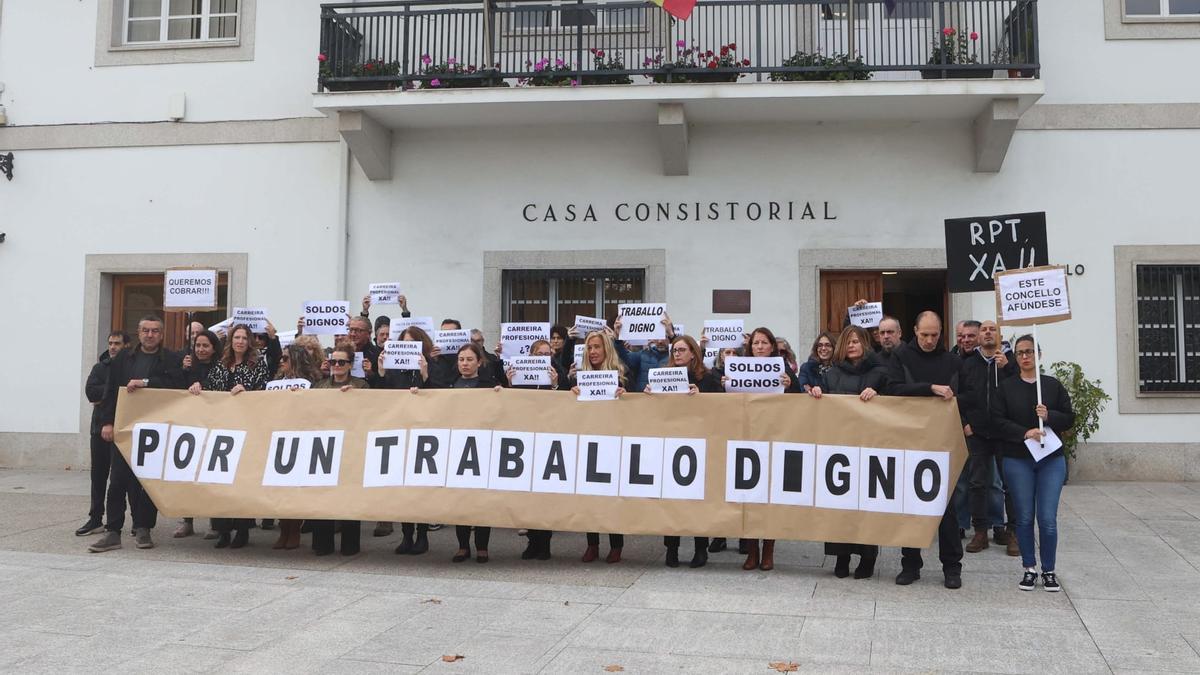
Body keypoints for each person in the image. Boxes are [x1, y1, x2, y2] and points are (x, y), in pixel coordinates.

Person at [89, 315, 184, 553]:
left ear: (161, 334)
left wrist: (146, 382)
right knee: (117, 481)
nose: (150, 335)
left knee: (147, 484)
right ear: (139, 333)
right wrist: (107, 422)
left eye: (155, 331)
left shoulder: (170, 359)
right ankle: (113, 531)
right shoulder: (123, 357)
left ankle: (143, 528)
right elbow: (111, 390)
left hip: (155, 430)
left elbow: (176, 385)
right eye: (145, 330)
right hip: (125, 428)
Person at [885, 311, 964, 589]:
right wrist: (930, 389)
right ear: (915, 332)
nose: (930, 340)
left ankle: (952, 567)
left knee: (947, 508)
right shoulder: (901, 356)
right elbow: (893, 390)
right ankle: (910, 564)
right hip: (910, 442)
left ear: (941, 333)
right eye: (924, 335)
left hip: (943, 443)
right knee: (911, 505)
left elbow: (969, 396)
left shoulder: (953, 361)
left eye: (934, 335)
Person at [993, 335, 1075, 592]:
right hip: (1018, 459)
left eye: (1029, 351)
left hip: (1050, 460)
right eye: (1020, 353)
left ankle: (1049, 570)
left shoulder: (1051, 385)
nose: (1025, 356)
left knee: (1047, 518)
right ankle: (1029, 568)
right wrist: (1024, 432)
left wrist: (1049, 416)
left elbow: (1069, 418)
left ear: (1038, 354)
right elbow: (997, 421)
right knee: (1025, 517)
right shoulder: (1006, 387)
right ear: (1015, 358)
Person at [811, 326, 888, 580]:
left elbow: (893, 404)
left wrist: (879, 395)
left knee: (866, 505)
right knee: (839, 504)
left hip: (868, 445)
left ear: (865, 343)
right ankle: (841, 556)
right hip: (839, 446)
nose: (852, 346)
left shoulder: (879, 372)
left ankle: (867, 558)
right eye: (848, 342)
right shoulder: (831, 374)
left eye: (856, 341)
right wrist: (817, 393)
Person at [647, 334, 720, 569]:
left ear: (693, 353)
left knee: (698, 500)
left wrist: (702, 398)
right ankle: (672, 548)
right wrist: (648, 394)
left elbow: (722, 406)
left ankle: (700, 548)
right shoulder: (663, 375)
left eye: (681, 350)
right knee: (671, 500)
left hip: (699, 444)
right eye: (674, 351)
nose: (677, 354)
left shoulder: (708, 378)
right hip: (671, 443)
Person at [732, 326, 798, 572]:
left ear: (772, 347)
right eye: (755, 343)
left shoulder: (783, 369)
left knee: (770, 497)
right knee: (748, 497)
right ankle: (752, 551)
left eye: (764, 343)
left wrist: (790, 385)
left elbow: (799, 400)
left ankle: (768, 550)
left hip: (774, 438)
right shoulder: (738, 368)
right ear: (750, 348)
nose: (759, 347)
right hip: (747, 439)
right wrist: (726, 384)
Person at [198, 324, 270, 549]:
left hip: (246, 429)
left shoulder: (257, 364)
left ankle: (242, 529)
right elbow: (210, 388)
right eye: (236, 337)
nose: (240, 341)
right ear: (231, 340)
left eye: (244, 338)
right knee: (220, 480)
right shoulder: (221, 363)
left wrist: (246, 393)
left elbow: (264, 392)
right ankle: (222, 530)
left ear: (249, 342)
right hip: (221, 428)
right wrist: (198, 386)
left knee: (242, 481)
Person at [959, 319, 1019, 555]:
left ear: (999, 335)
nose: (987, 333)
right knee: (977, 483)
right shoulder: (968, 363)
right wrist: (965, 423)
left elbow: (1022, 389)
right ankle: (980, 531)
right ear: (978, 336)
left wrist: (1008, 368)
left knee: (1010, 484)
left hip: (1005, 433)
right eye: (983, 330)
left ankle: (1012, 532)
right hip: (978, 432)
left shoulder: (1010, 361)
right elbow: (959, 395)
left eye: (992, 329)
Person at [441, 343, 504, 563]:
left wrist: (501, 394)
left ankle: (482, 547)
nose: (465, 363)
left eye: (469, 359)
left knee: (481, 499)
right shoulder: (449, 385)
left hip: (482, 447)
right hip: (457, 447)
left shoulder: (490, 384)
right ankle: (462, 546)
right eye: (461, 359)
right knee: (461, 499)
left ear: (479, 362)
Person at [569, 330, 628, 564]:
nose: (592, 352)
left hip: (613, 443)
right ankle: (592, 544)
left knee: (612, 497)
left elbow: (636, 406)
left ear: (606, 349)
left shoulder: (621, 377)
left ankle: (616, 545)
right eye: (589, 347)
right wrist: (571, 395)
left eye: (597, 347)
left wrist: (626, 397)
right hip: (587, 443)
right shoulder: (579, 378)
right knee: (589, 497)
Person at [378, 326, 436, 555]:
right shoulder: (394, 369)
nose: (407, 347)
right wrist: (382, 371)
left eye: (412, 343)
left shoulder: (432, 364)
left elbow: (440, 395)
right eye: (403, 344)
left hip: (423, 433)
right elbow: (383, 398)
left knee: (420, 487)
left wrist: (425, 374)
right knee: (402, 487)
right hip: (400, 431)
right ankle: (406, 535)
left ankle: (422, 535)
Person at [505, 338, 563, 560]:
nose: (544, 358)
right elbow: (512, 405)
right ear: (531, 355)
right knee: (527, 493)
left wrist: (555, 385)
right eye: (540, 354)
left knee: (544, 494)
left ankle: (545, 543)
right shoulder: (521, 374)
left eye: (548, 354)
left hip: (548, 439)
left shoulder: (557, 372)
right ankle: (532, 541)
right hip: (526, 439)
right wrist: (510, 384)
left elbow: (566, 401)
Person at [309, 343, 368, 556]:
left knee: (349, 495)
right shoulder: (320, 386)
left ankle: (350, 545)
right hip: (324, 445)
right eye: (333, 361)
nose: (337, 365)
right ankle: (322, 544)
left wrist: (353, 397)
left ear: (350, 365)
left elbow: (368, 412)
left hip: (351, 445)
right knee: (322, 495)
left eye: (342, 362)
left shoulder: (361, 386)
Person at [269, 343, 326, 550]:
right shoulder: (276, 383)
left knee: (295, 487)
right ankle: (283, 529)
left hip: (301, 438)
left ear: (296, 360)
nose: (281, 361)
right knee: (280, 487)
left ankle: (294, 530)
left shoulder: (311, 383)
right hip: (279, 438)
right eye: (281, 358)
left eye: (285, 358)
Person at [77, 330, 129, 537]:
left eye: (117, 343)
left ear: (126, 346)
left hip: (124, 429)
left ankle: (128, 522)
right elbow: (91, 393)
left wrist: (106, 394)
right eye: (111, 343)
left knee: (121, 479)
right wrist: (114, 392)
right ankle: (95, 518)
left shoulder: (131, 367)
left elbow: (132, 395)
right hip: (99, 428)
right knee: (98, 476)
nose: (113, 347)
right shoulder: (100, 367)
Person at [176, 329, 222, 539]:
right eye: (198, 346)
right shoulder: (187, 366)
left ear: (213, 348)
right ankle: (187, 521)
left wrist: (203, 386)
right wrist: (183, 371)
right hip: (190, 427)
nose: (201, 349)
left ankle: (214, 523)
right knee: (189, 476)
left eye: (205, 346)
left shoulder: (220, 367)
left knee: (212, 476)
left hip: (213, 426)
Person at [614, 314, 676, 392]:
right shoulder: (644, 354)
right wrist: (618, 338)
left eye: (665, 337)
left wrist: (672, 335)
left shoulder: (675, 356)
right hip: (643, 398)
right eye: (657, 336)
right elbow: (625, 359)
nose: (660, 341)